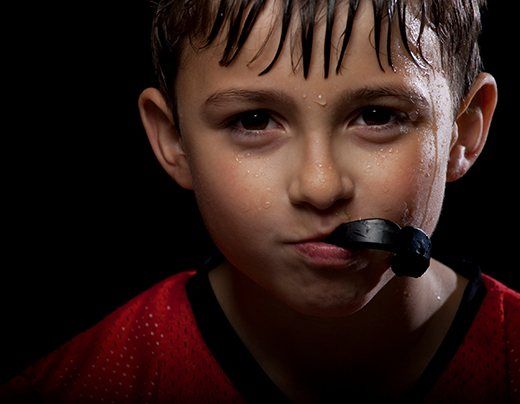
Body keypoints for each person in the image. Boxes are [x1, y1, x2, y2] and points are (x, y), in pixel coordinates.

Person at [2, 0, 519, 402]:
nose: (320, 187)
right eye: (253, 121)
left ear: (464, 131)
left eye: (378, 116)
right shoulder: (84, 385)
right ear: (172, 139)